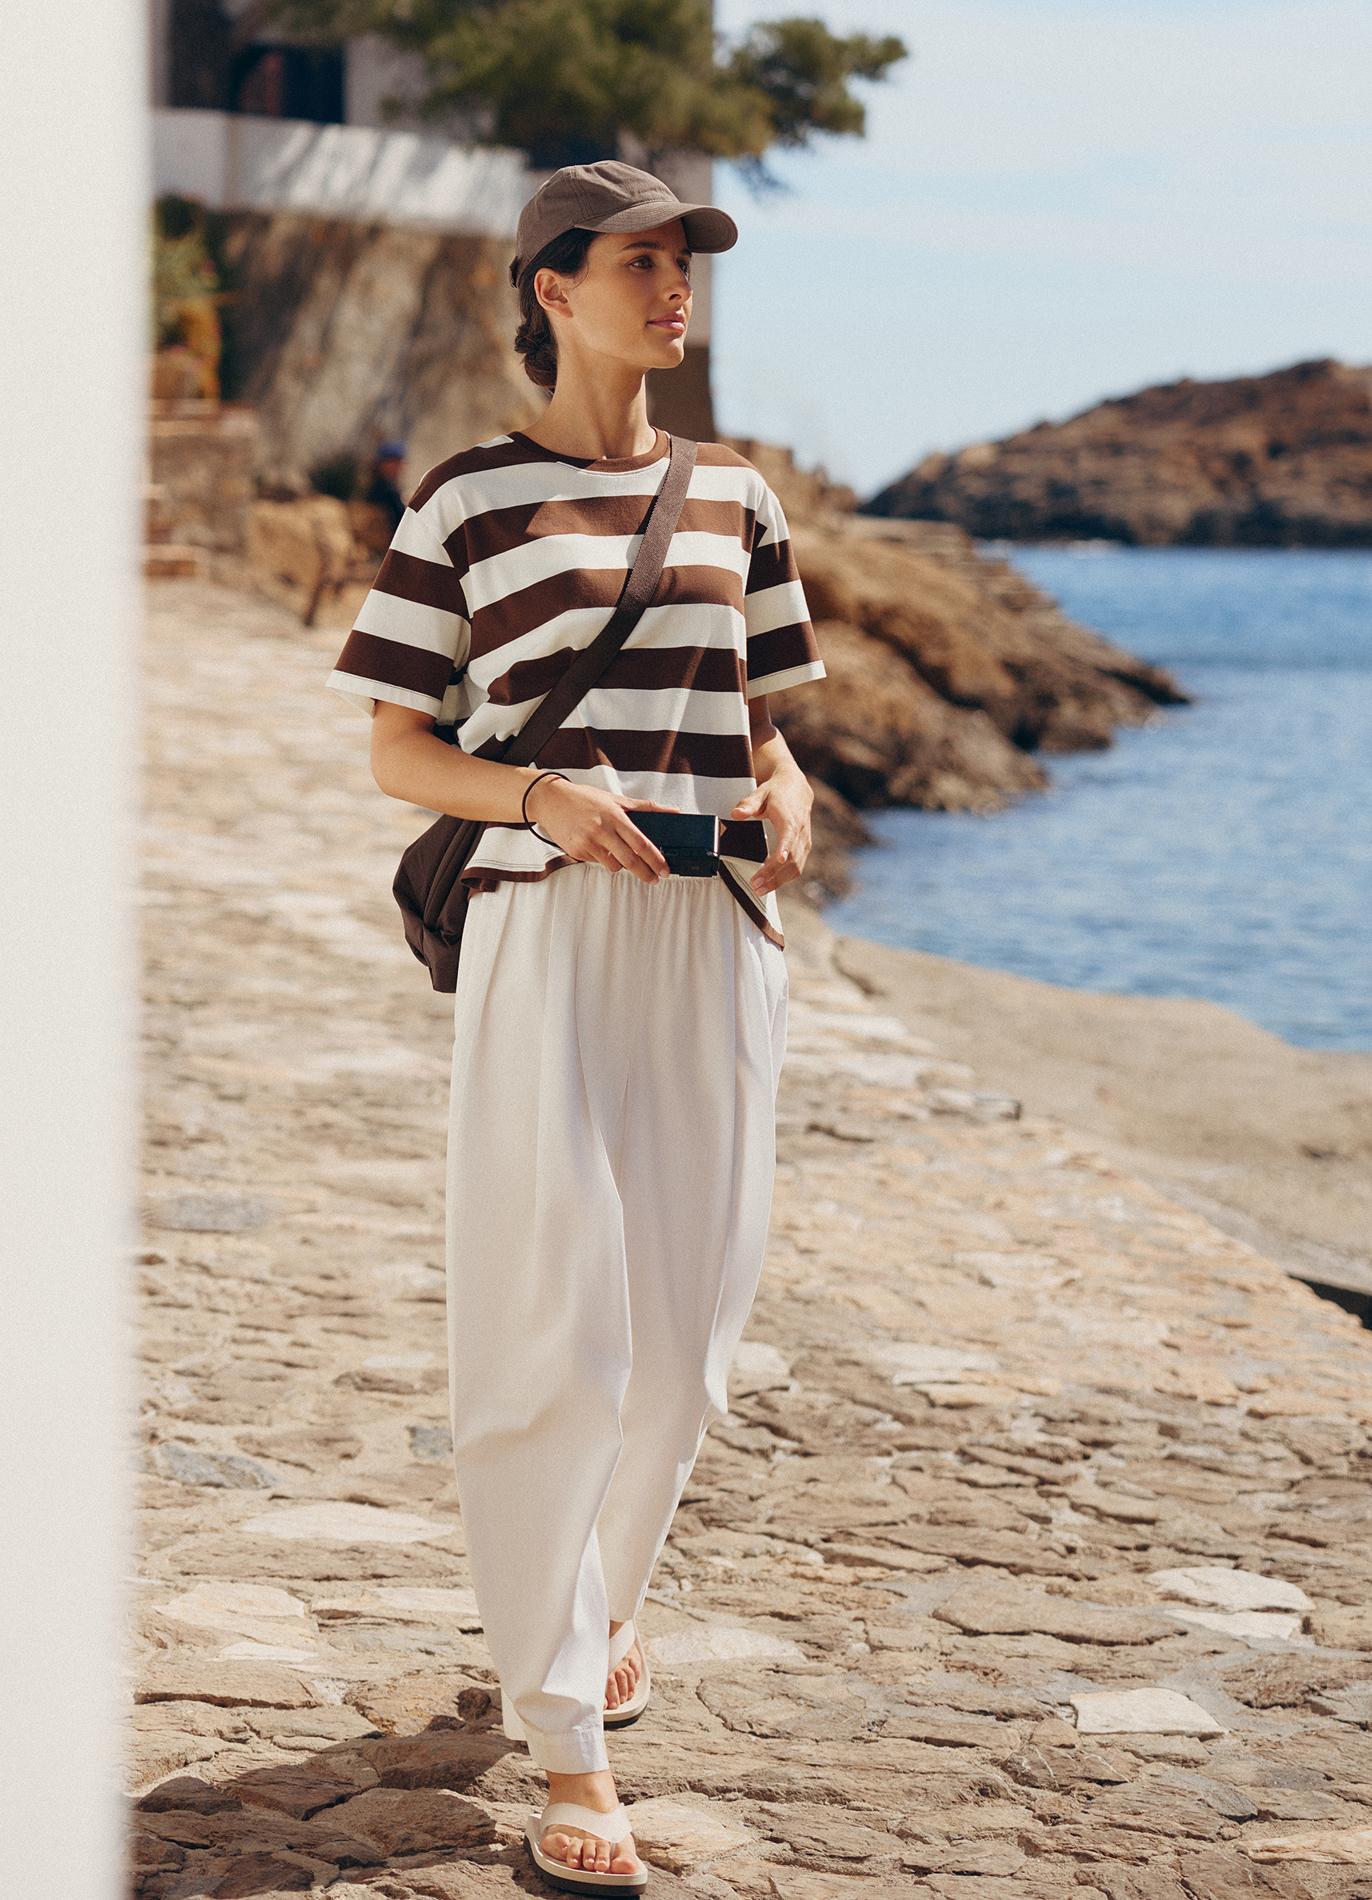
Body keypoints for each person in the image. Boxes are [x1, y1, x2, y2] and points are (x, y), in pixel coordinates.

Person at [325, 159, 826, 1895]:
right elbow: (398, 748)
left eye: (686, 261)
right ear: (552, 288)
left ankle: (601, 1604)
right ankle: (567, 1740)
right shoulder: (467, 500)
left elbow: (759, 712)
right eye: (640, 262)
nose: (675, 288)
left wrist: (789, 790)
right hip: (550, 931)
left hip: (715, 933)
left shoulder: (736, 496)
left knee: (685, 1345)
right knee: (557, 1336)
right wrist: (536, 796)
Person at [363, 439, 408, 536]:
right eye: (393, 462)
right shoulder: (383, 489)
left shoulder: (390, 487)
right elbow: (401, 518)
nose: (398, 468)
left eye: (399, 463)